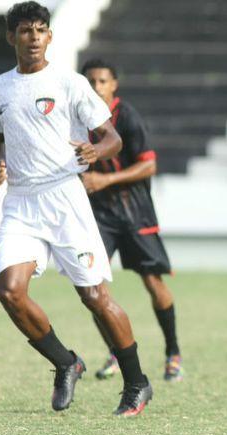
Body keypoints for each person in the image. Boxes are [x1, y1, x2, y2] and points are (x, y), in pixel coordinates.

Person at [0, 1, 152, 416]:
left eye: (41, 30)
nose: (34, 38)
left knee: (94, 296)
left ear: (50, 36)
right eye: (26, 31)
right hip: (21, 202)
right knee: (9, 291)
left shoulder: (70, 83)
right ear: (12, 38)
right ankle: (66, 362)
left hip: (65, 198)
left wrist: (96, 149)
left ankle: (137, 382)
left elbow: (112, 138)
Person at [80, 58, 183, 382]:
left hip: (133, 208)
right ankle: (116, 350)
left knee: (153, 281)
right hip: (98, 213)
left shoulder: (127, 117)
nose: (96, 87)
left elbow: (148, 166)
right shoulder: (76, 117)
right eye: (91, 81)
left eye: (102, 81)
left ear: (114, 85)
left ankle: (173, 352)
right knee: (91, 282)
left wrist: (104, 181)